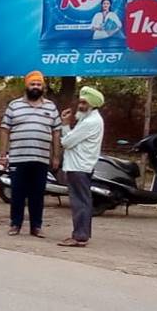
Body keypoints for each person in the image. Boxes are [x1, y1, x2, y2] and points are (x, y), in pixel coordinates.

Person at [0, 71, 62, 237]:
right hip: (19, 158)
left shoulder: (51, 107)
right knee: (18, 193)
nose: (35, 87)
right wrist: (3, 155)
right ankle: (15, 224)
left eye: (39, 84)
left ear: (43, 87)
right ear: (26, 86)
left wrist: (56, 156)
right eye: (32, 84)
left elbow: (56, 132)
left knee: (38, 194)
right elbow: (5, 130)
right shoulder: (14, 106)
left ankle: (36, 227)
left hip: (41, 159)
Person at [58, 86, 106, 248]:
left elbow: (66, 142)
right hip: (80, 166)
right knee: (82, 201)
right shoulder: (88, 119)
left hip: (79, 167)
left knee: (80, 202)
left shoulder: (90, 122)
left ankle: (80, 236)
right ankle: (80, 234)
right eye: (80, 102)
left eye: (84, 103)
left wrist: (64, 125)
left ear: (92, 104)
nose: (80, 106)